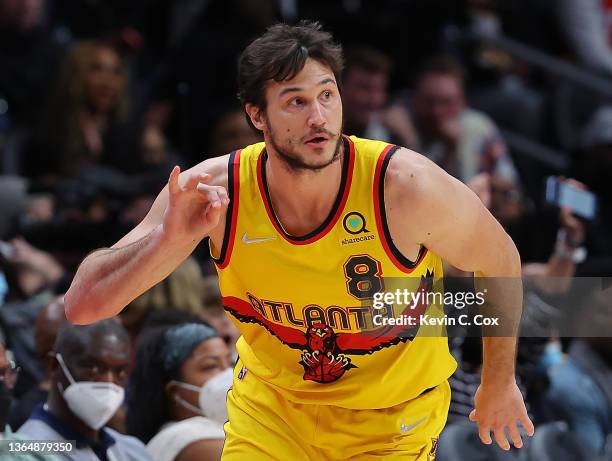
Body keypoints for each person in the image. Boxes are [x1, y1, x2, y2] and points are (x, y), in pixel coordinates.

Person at [65, 21, 533, 459]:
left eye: (327, 95)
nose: (319, 117)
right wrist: (168, 241)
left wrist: (499, 381)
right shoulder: (216, 189)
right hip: (271, 413)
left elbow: (499, 259)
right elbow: (83, 305)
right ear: (257, 116)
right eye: (296, 102)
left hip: (390, 424)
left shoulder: (405, 186)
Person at [18, 319, 151, 461]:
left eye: (120, 372)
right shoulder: (23, 450)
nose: (108, 382)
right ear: (54, 366)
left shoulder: (133, 451)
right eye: (93, 368)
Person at [127, 323, 232, 461]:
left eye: (231, 363)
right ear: (174, 391)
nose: (229, 374)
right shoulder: (197, 442)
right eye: (211, 366)